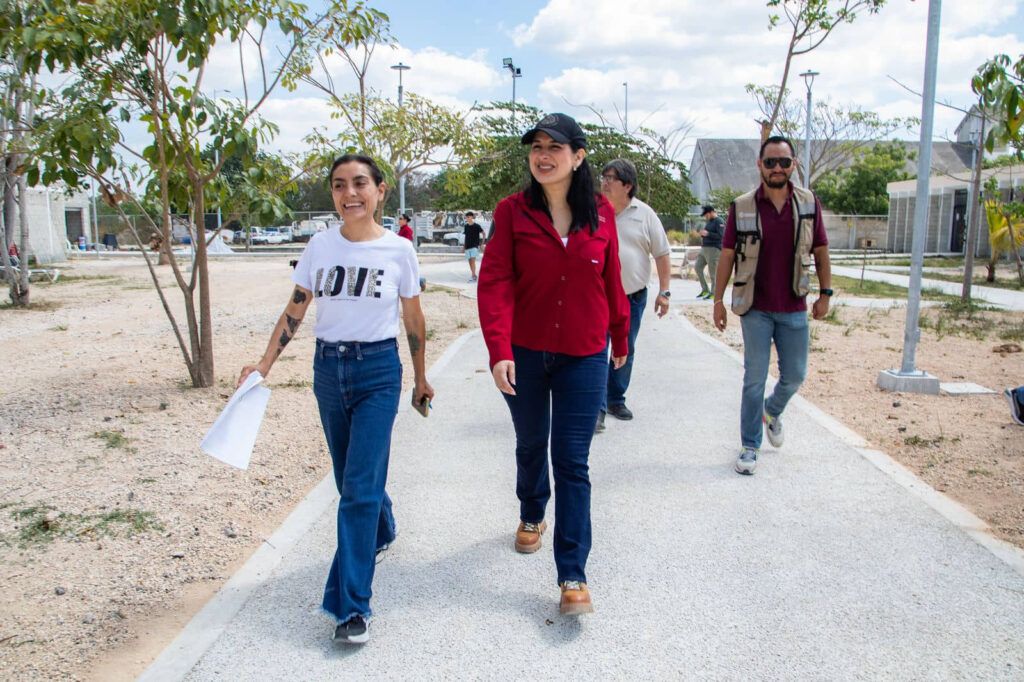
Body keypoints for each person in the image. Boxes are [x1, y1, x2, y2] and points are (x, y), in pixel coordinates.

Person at [238, 153, 434, 645]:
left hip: (379, 372)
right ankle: (381, 529)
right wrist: (264, 364)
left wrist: (421, 378)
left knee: (358, 491)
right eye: (339, 185)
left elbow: (413, 318)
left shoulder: (399, 250)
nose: (350, 193)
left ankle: (351, 607)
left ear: (380, 190)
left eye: (360, 183)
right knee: (351, 479)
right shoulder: (320, 246)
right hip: (328, 371)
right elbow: (296, 308)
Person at [477, 113, 629, 616]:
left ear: (578, 157)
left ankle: (572, 574)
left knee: (572, 460)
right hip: (524, 350)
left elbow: (611, 278)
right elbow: (494, 281)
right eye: (537, 147)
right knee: (529, 442)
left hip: (584, 353)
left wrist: (621, 335)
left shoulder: (601, 214)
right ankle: (531, 510)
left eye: (554, 147)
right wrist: (498, 349)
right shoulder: (512, 211)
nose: (543, 156)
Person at [712, 135, 832, 476]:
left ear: (794, 165)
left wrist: (826, 293)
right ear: (760, 165)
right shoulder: (742, 206)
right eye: (770, 162)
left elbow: (821, 250)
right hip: (755, 308)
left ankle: (772, 410)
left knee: (795, 376)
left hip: (794, 305)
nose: (777, 168)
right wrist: (718, 300)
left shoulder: (808, 203)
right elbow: (727, 255)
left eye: (784, 162)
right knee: (754, 377)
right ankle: (750, 445)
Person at [595, 159, 672, 432]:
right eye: (603, 177)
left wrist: (664, 292)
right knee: (597, 351)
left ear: (627, 185)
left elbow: (662, 253)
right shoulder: (593, 211)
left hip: (632, 297)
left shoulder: (645, 214)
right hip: (598, 298)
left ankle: (615, 399)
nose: (604, 182)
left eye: (611, 178)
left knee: (625, 348)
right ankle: (597, 409)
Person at [695, 205, 724, 300]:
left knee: (713, 273)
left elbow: (721, 236)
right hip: (704, 249)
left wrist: (708, 234)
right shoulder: (709, 222)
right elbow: (708, 234)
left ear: (711, 212)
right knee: (697, 267)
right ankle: (705, 289)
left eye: (706, 215)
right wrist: (703, 234)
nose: (705, 217)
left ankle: (714, 292)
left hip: (714, 250)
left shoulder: (719, 221)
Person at [463, 211, 485, 282]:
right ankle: (474, 275)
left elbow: (483, 233)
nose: (467, 218)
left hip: (474, 246)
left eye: (468, 217)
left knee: (472, 261)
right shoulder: (466, 226)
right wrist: (464, 246)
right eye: (466, 217)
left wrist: (482, 243)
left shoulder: (477, 226)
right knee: (470, 262)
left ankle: (473, 276)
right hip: (467, 246)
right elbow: (466, 236)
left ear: (472, 217)